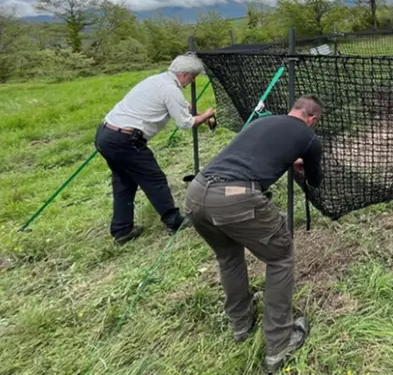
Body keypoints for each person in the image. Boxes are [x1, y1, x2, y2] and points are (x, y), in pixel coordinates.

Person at [184, 95, 324, 374]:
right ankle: (279, 343)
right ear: (313, 119)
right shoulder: (309, 136)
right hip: (235, 195)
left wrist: (288, 158)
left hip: (196, 193)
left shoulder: (263, 121)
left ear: (292, 110)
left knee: (228, 256)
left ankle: (241, 324)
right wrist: (304, 164)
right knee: (280, 257)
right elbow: (314, 180)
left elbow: (255, 153)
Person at [94, 53, 216, 245]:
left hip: (106, 135)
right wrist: (207, 115)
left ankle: (121, 230)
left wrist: (200, 115)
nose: (192, 81)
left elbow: (183, 106)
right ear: (184, 74)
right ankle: (173, 221)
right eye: (193, 77)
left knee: (124, 182)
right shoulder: (170, 89)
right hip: (125, 140)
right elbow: (185, 123)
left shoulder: (157, 80)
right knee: (154, 179)